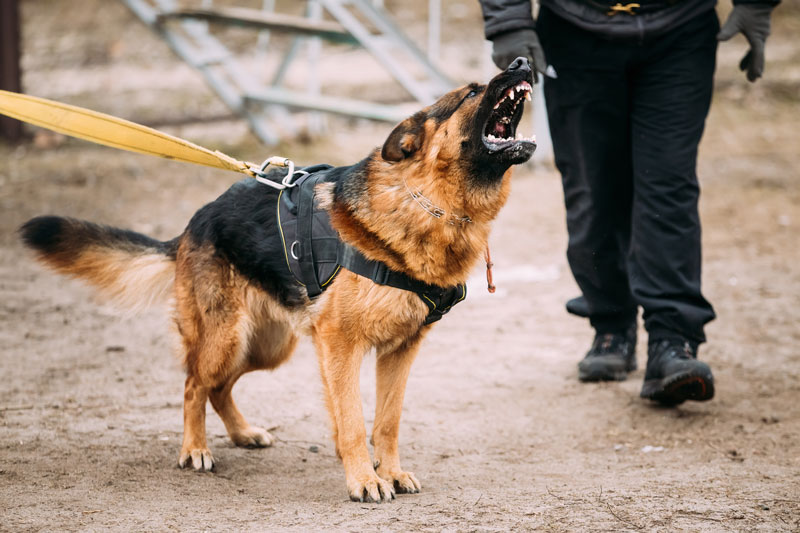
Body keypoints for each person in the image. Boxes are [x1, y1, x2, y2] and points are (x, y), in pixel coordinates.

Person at [479, 0, 779, 405]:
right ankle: (611, 323)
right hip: (574, 32)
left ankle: (672, 341)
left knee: (668, 183)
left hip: (681, 30)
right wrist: (508, 23)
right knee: (593, 184)